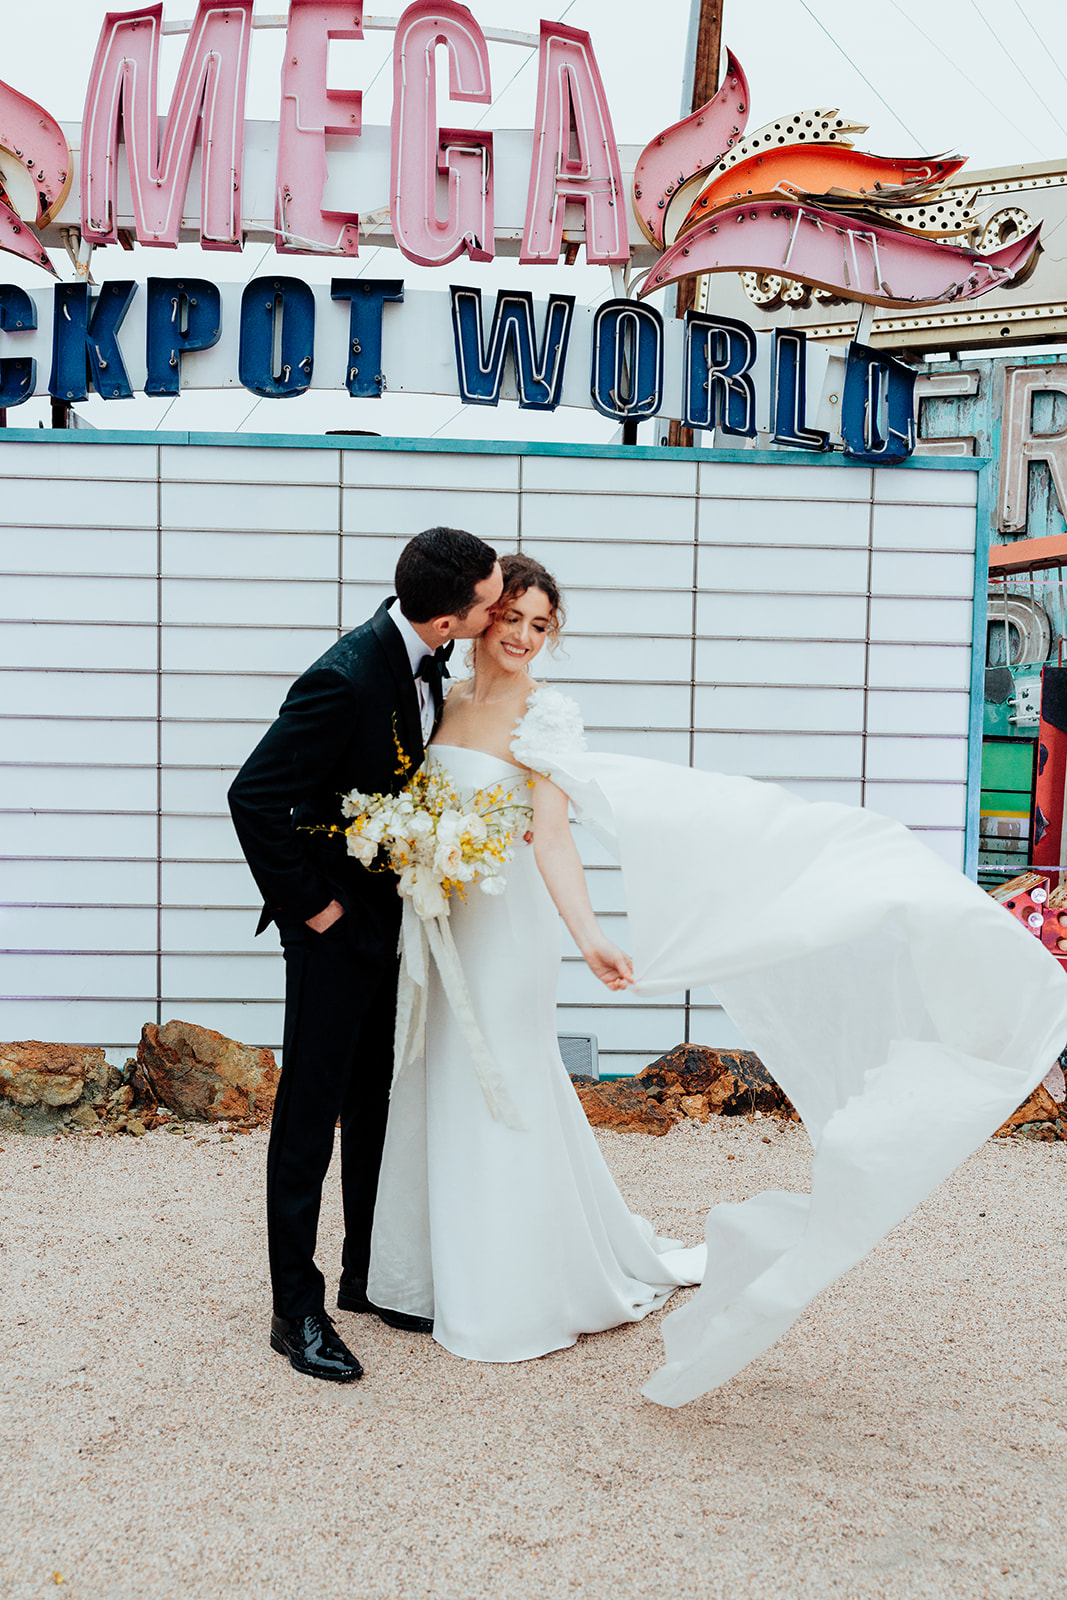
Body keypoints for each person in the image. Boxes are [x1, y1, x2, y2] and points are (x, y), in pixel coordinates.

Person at [367, 553, 1067, 1405]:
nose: (522, 637)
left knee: (504, 1082)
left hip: (505, 931)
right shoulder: (440, 693)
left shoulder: (545, 718)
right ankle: (431, 1277)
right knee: (435, 1079)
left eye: (541, 626)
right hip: (435, 925)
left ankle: (510, 1292)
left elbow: (551, 839)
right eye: (512, 618)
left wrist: (591, 938)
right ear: (482, 616)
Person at [227, 527, 502, 1383]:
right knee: (309, 1117)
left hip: (393, 927)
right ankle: (293, 1311)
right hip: (333, 936)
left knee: (376, 1103)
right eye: (491, 603)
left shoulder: (425, 660)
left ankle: (364, 1276)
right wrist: (316, 911)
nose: (498, 616)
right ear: (452, 618)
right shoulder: (344, 676)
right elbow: (252, 796)